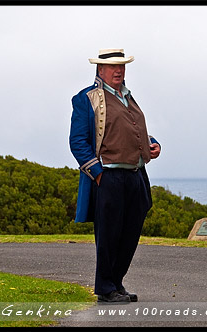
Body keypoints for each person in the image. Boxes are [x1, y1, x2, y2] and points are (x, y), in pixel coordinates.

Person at [69, 48, 161, 303]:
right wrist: (98, 175)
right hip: (109, 177)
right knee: (109, 235)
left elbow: (132, 131)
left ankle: (116, 283)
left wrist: (152, 144)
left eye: (122, 66)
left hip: (136, 175)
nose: (118, 71)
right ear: (100, 70)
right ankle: (105, 288)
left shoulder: (127, 97)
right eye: (113, 67)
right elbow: (78, 142)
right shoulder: (86, 99)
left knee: (130, 234)